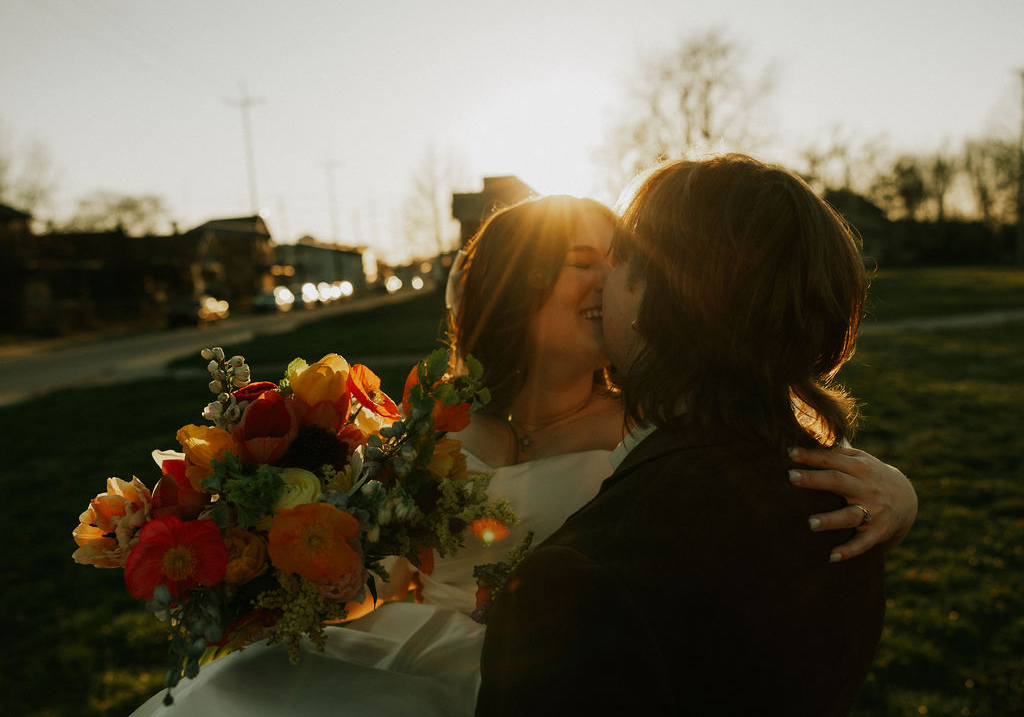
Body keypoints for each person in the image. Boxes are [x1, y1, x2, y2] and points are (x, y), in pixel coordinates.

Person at [131, 194, 914, 716]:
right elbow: (397, 572)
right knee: (232, 692)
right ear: (517, 281)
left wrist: (898, 489)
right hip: (400, 641)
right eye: (584, 259)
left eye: (622, 260)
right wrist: (336, 579)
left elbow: (756, 459)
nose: (611, 277)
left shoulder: (650, 421)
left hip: (542, 676)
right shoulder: (435, 421)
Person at [476, 156, 894, 717]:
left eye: (619, 260)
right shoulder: (851, 516)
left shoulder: (577, 584)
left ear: (660, 300)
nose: (603, 282)